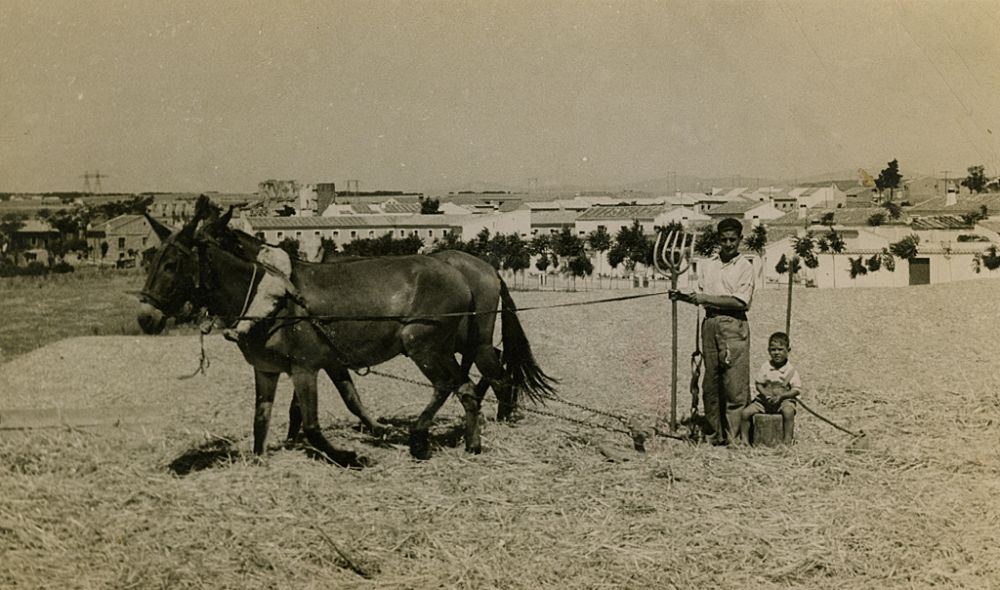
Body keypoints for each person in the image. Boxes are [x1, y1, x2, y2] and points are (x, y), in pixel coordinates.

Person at [670, 217, 755, 445]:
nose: (728, 244)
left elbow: (740, 302)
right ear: (719, 239)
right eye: (724, 239)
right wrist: (680, 296)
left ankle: (734, 437)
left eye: (733, 240)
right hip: (709, 325)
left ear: (740, 240)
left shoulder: (745, 267)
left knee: (734, 386)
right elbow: (698, 294)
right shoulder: (709, 265)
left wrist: (705, 298)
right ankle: (714, 434)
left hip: (733, 326)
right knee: (711, 384)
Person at [223, 244, 294, 342]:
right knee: (256, 305)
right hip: (273, 283)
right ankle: (241, 328)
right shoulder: (273, 271)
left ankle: (242, 330)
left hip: (275, 287)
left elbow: (283, 282)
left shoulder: (278, 274)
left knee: (261, 307)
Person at [740, 332, 801, 444]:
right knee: (745, 413)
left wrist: (782, 396)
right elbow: (758, 384)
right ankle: (744, 441)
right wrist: (765, 394)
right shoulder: (766, 367)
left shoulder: (791, 370)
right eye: (773, 350)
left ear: (788, 350)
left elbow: (796, 390)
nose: (777, 353)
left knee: (788, 412)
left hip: (783, 401)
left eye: (780, 349)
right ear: (768, 351)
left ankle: (787, 440)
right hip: (765, 401)